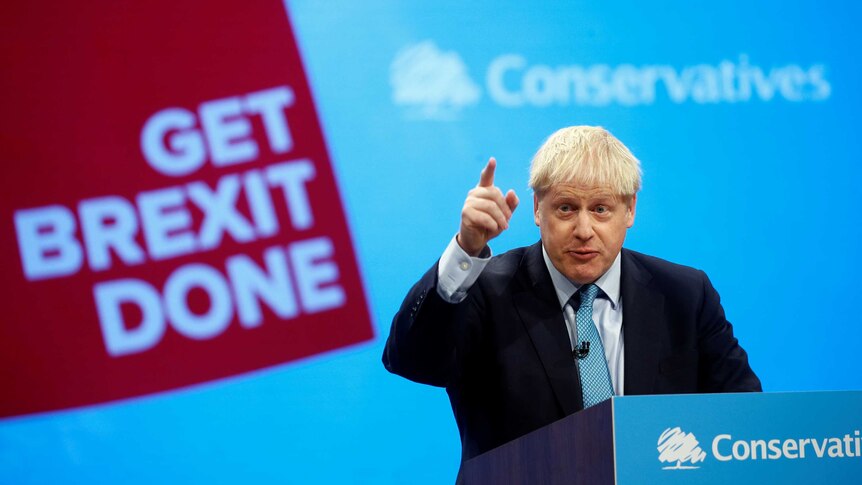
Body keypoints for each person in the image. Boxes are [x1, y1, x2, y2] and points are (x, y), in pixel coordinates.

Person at [382, 126, 761, 468]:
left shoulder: (684, 295)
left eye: (601, 209)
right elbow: (414, 361)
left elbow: (745, 421)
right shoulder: (485, 291)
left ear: (629, 210)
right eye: (566, 208)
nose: (584, 230)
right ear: (536, 209)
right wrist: (465, 250)